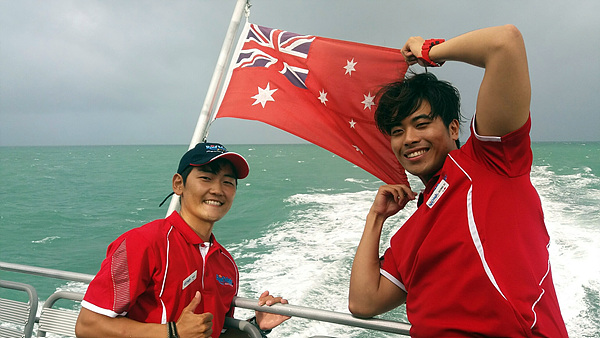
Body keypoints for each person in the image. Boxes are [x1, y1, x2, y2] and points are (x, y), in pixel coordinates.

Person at [348, 25, 569, 337]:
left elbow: (505, 43)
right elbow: (363, 302)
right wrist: (376, 218)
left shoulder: (490, 162)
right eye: (397, 132)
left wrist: (428, 51)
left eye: (421, 124)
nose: (409, 139)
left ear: (453, 129)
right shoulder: (410, 235)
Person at [76, 142, 290, 338]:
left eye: (228, 182)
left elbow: (214, 333)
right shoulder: (143, 243)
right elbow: (88, 326)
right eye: (206, 178)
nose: (217, 190)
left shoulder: (227, 264)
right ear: (178, 184)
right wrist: (173, 332)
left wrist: (257, 325)